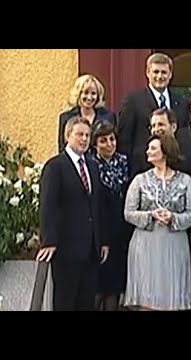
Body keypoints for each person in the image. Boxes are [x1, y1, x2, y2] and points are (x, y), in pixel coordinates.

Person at [37, 116, 109, 311]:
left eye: (87, 135)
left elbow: (96, 205)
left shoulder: (93, 166)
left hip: (90, 250)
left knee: (86, 303)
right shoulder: (55, 166)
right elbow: (48, 205)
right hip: (66, 250)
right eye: (80, 135)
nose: (84, 139)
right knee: (65, 302)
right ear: (67, 135)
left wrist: (102, 240)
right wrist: (49, 240)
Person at [123, 133, 191, 311]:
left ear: (165, 151)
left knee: (172, 299)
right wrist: (151, 215)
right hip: (146, 244)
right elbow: (128, 212)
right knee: (147, 297)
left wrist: (173, 218)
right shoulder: (140, 180)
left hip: (174, 243)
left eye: (153, 148)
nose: (148, 151)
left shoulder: (185, 181)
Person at [117, 52, 190, 178]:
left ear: (170, 74)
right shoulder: (133, 100)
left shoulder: (182, 102)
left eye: (164, 72)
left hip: (174, 169)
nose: (159, 76)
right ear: (148, 73)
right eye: (156, 72)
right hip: (142, 168)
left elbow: (183, 136)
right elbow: (124, 140)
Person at [90, 121, 130, 311]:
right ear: (95, 144)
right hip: (100, 230)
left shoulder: (123, 161)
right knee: (98, 287)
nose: (109, 144)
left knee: (114, 287)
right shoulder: (91, 165)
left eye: (112, 139)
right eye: (103, 141)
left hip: (120, 232)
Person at [57, 74, 116, 152]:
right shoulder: (66, 117)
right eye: (86, 93)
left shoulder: (108, 117)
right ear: (78, 94)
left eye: (93, 93)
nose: (89, 97)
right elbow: (62, 148)